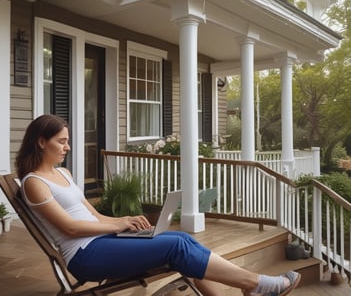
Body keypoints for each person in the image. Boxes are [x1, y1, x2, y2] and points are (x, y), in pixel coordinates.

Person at [15, 114, 301, 296]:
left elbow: (91, 214)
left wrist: (122, 220)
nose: (67, 147)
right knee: (175, 248)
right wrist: (121, 224)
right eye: (61, 142)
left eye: (67, 142)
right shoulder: (34, 182)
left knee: (180, 238)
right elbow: (70, 227)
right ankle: (257, 284)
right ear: (41, 142)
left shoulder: (63, 174)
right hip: (86, 256)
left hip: (103, 240)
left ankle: (253, 287)